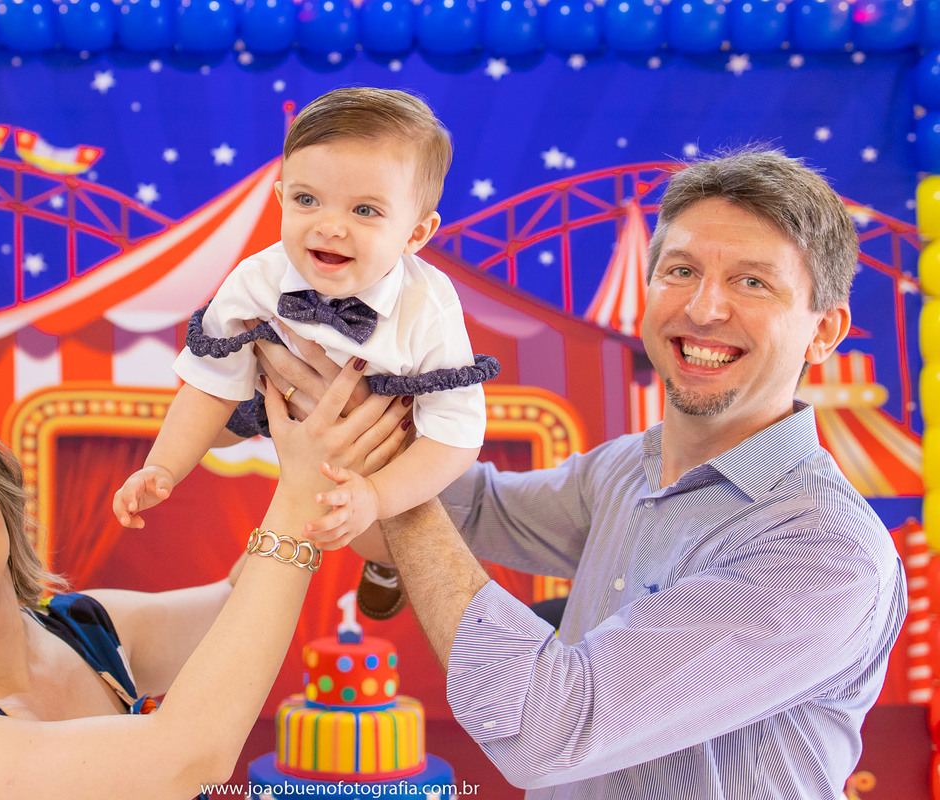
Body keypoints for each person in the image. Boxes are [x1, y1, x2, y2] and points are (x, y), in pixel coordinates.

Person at [262, 147, 909, 799]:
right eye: (681, 271)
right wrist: (351, 404)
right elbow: (476, 510)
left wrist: (386, 483)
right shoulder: (628, 468)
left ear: (825, 332)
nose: (706, 309)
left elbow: (550, 730)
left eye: (753, 282)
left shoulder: (826, 554)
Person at [0, 369, 409, 800]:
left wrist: (322, 460)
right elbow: (185, 760)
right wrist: (301, 492)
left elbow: (236, 608)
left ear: (1, 490)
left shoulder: (84, 628)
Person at [111, 86, 499, 620]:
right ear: (280, 198)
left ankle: (384, 562)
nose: (329, 226)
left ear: (416, 234)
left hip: (387, 431)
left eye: (365, 210)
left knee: (363, 519)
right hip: (271, 396)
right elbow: (207, 383)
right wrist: (163, 467)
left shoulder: (427, 308)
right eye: (307, 200)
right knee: (210, 422)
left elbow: (456, 438)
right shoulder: (257, 278)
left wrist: (376, 496)